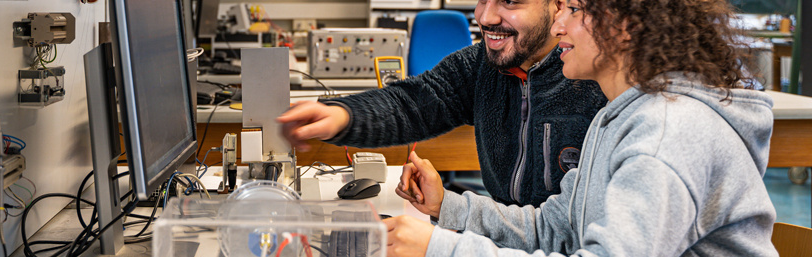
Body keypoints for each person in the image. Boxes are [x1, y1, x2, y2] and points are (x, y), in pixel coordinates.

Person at [383, 0, 780, 256]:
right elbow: (554, 228)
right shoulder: (618, 116)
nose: (558, 27)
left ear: (626, 25)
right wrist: (445, 208)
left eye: (573, 9)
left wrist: (442, 249)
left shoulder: (665, 135)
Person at [277, 0, 607, 208]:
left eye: (509, 1)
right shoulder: (481, 65)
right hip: (503, 235)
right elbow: (411, 104)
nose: (485, 16)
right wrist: (342, 116)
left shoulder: (600, 81)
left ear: (561, 6)